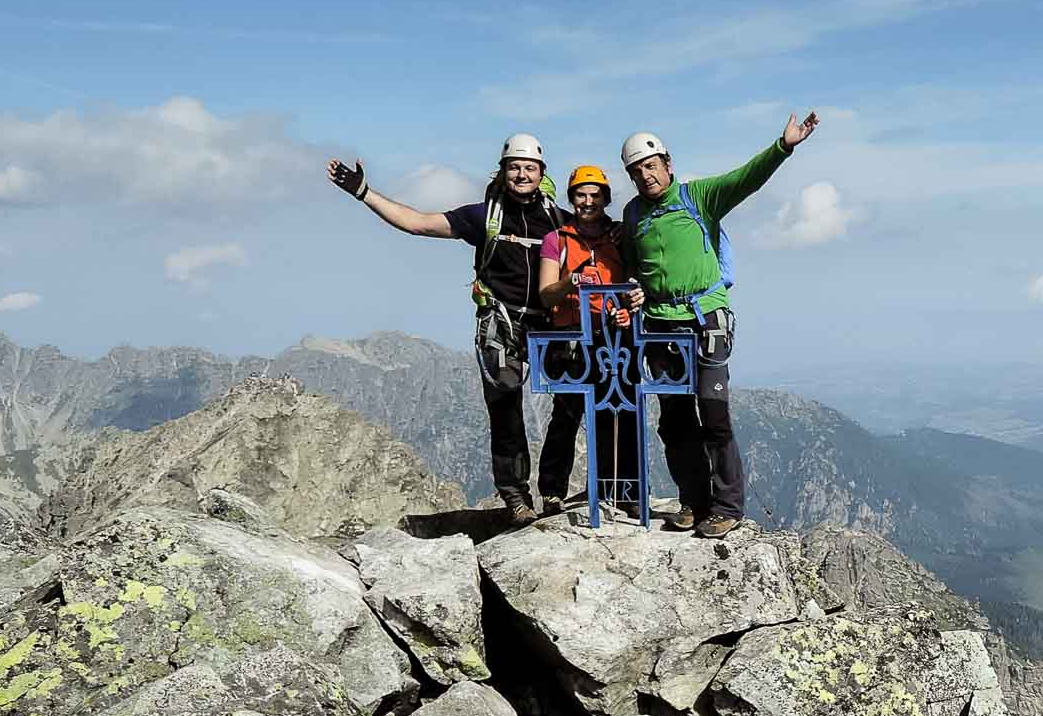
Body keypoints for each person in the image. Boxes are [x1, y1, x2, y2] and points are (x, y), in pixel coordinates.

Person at [326, 135, 567, 526]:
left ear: (541, 174)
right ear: (503, 172)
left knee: (572, 401)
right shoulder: (482, 216)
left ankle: (554, 490)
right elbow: (418, 223)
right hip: (500, 324)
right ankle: (517, 498)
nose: (522, 174)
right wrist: (364, 192)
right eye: (514, 167)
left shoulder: (559, 220)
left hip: (548, 325)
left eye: (529, 168)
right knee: (505, 410)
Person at [620, 112, 819, 539]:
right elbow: (634, 267)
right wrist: (635, 288)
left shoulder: (699, 197)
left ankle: (728, 506)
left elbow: (746, 179)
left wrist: (783, 147)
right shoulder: (633, 214)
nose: (645, 176)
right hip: (659, 323)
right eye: (636, 171)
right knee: (674, 421)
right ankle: (694, 502)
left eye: (650, 166)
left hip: (705, 317)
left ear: (667, 165)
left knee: (713, 413)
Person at [536, 165, 644, 518]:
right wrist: (572, 282)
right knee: (566, 415)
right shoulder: (557, 240)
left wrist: (628, 308)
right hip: (572, 340)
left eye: (594, 195)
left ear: (605, 199)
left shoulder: (620, 237)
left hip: (615, 336)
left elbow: (633, 284)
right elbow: (546, 296)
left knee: (621, 412)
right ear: (572, 200)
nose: (587, 201)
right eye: (581, 195)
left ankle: (621, 489)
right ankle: (553, 492)